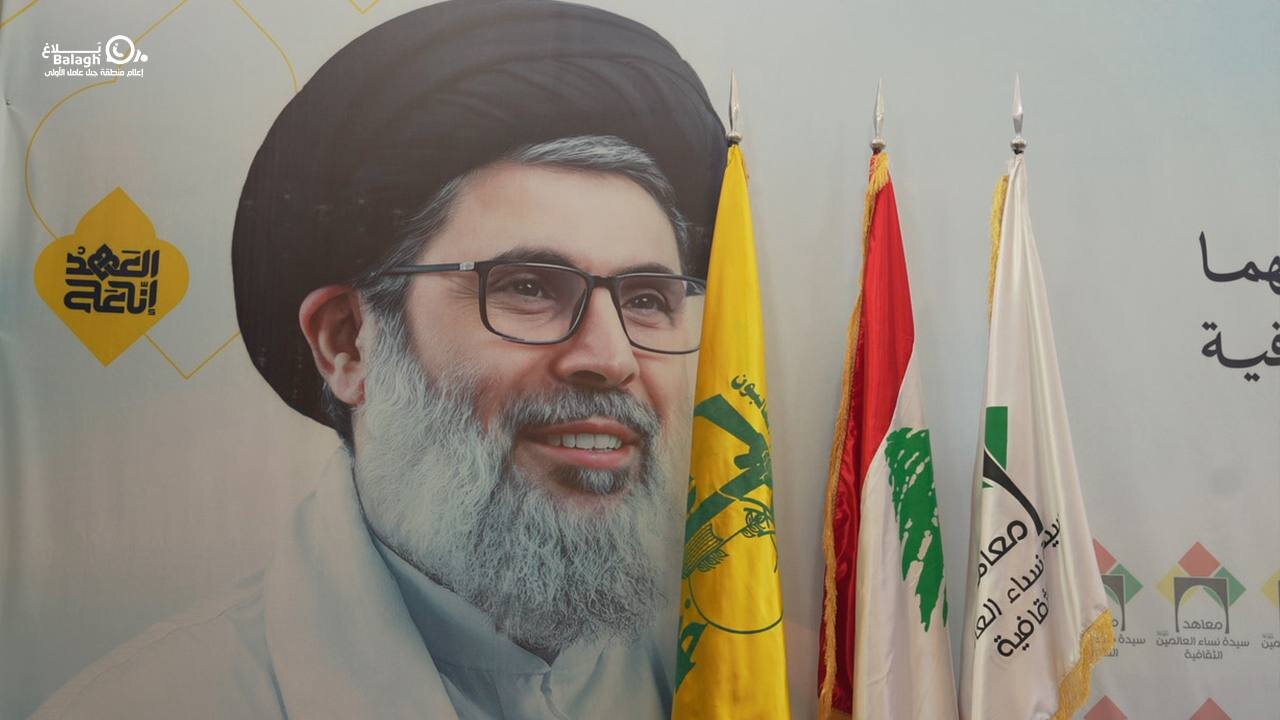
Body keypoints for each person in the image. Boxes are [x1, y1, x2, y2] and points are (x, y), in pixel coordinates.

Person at [32, 1, 726, 718]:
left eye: (648, 299)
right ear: (347, 342)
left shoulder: (739, 670)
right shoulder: (148, 704)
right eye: (527, 288)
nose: (611, 357)